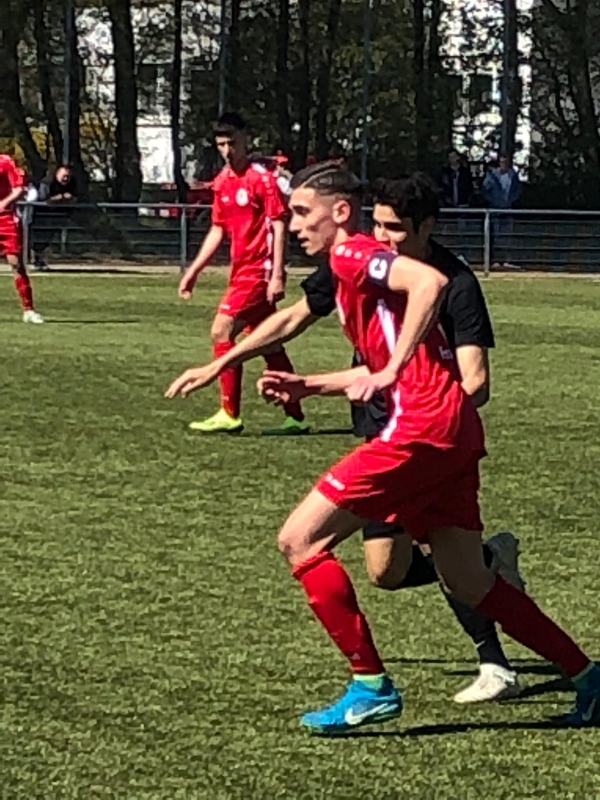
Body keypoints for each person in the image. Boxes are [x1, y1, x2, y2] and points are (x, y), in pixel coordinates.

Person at [167, 161, 600, 735]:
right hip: (452, 428)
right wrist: (305, 383)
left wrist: (390, 368)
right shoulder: (352, 269)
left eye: (303, 212)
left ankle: (370, 685)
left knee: (299, 540)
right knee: (469, 581)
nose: (293, 224)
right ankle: (589, 678)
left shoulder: (354, 253)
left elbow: (430, 286)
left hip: (420, 426)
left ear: (340, 212)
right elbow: (342, 346)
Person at [177, 112, 308, 435]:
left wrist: (278, 274)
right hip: (240, 272)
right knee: (268, 342)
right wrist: (194, 270)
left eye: (232, 143)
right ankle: (295, 416)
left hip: (259, 271)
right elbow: (218, 229)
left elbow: (279, 224)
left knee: (221, 330)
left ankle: (229, 413)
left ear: (245, 140)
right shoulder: (223, 181)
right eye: (221, 144)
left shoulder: (261, 178)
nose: (227, 150)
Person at [0, 154, 44, 323]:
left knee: (16, 263)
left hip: (5, 219)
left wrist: (4, 203)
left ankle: (29, 310)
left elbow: (19, 188)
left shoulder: (6, 162)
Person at [33, 163, 78, 270]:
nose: (66, 179)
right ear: (57, 174)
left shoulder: (72, 183)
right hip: (41, 216)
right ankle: (35, 259)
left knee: (48, 239)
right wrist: (59, 198)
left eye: (68, 176)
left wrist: (69, 199)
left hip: (57, 216)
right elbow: (42, 199)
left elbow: (76, 198)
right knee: (38, 239)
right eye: (64, 176)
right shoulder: (47, 182)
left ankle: (39, 259)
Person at [482, 154, 522, 269]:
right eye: (502, 162)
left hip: (509, 209)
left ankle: (506, 260)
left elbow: (517, 190)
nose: (503, 164)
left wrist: (511, 201)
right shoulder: (492, 176)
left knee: (508, 235)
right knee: (496, 236)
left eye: (506, 162)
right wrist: (493, 201)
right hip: (495, 209)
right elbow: (485, 190)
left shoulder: (513, 175)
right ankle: (496, 260)